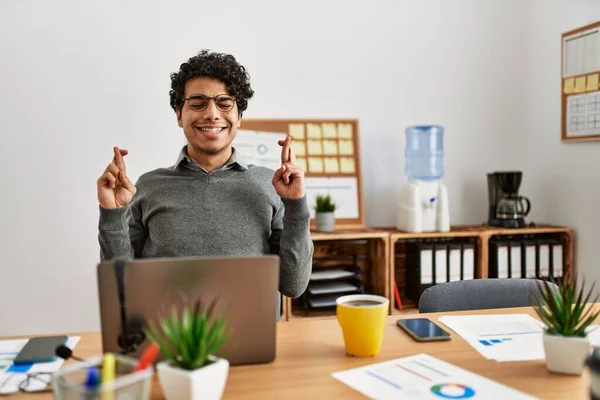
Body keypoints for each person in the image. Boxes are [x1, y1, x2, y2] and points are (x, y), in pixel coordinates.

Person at [97, 50, 313, 300]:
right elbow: (121, 287)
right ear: (179, 115)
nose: (212, 114)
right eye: (198, 103)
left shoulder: (269, 184)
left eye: (224, 103)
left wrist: (296, 205)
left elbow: (294, 285)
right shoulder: (147, 186)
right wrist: (112, 214)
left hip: (249, 335)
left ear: (239, 116)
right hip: (169, 334)